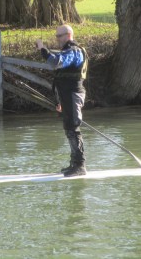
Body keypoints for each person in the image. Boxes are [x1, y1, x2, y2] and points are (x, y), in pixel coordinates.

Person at [36, 25, 88, 177]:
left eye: (59, 36)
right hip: (67, 96)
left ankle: (80, 166)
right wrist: (60, 102)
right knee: (69, 128)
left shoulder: (74, 51)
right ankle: (74, 163)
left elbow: (55, 62)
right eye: (56, 36)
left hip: (73, 94)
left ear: (68, 35)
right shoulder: (68, 51)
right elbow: (61, 78)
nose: (57, 39)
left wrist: (42, 49)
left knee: (73, 128)